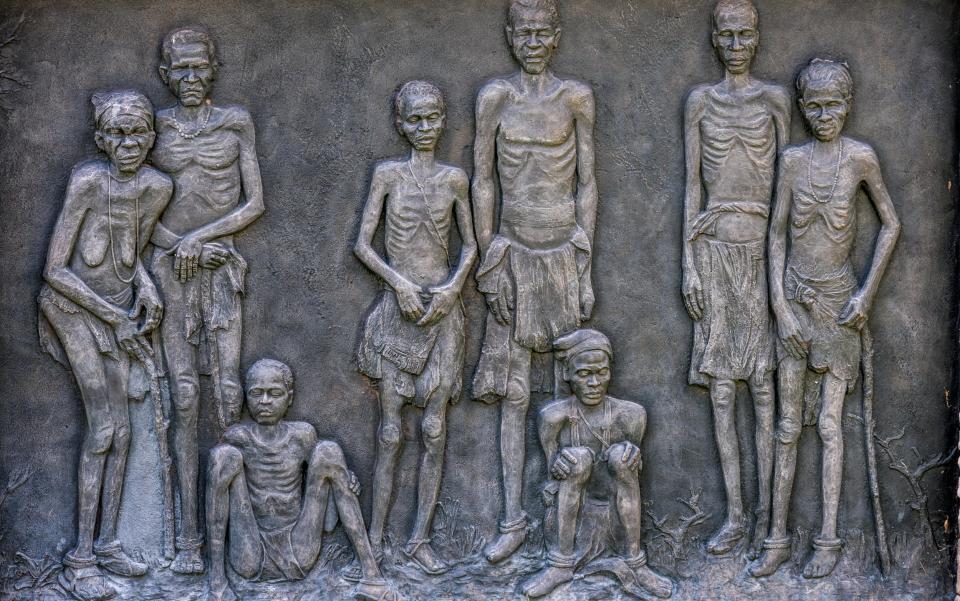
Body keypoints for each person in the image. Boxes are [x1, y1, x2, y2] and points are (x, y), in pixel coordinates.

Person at [749, 59, 900, 579]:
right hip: (794, 299)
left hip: (838, 304)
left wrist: (865, 296)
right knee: (788, 426)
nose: (823, 115)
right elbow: (774, 236)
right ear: (802, 108)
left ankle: (829, 541)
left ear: (848, 103)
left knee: (831, 426)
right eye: (812, 106)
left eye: (832, 104)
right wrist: (781, 308)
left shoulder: (861, 158)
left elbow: (890, 225)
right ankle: (776, 538)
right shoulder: (792, 161)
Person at [472, 0, 598, 563]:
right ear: (509, 36)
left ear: (557, 36)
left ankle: (565, 520)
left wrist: (585, 262)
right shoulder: (494, 99)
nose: (534, 41)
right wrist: (488, 258)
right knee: (515, 396)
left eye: (543, 32)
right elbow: (482, 180)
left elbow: (588, 183)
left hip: (562, 253)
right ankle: (512, 519)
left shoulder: (576, 98)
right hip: (514, 256)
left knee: (568, 392)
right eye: (524, 32)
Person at [40, 90, 172, 600]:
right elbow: (55, 268)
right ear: (100, 139)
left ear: (151, 138)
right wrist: (116, 315)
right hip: (72, 308)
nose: (128, 143)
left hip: (116, 314)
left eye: (138, 133)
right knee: (104, 428)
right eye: (117, 134)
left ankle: (109, 542)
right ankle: (80, 558)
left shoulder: (158, 187)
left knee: (124, 436)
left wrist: (145, 286)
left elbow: (127, 252)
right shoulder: (88, 181)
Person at [149, 25, 266, 574]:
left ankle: (235, 533)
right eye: (181, 70)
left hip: (222, 270)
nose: (191, 78)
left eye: (200, 67)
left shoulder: (235, 121)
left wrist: (207, 241)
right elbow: (139, 207)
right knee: (185, 396)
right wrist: (180, 245)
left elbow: (254, 202)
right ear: (166, 75)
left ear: (212, 68)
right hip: (172, 271)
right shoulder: (153, 128)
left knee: (227, 391)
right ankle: (188, 538)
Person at [680, 0, 791, 555]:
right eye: (728, 34)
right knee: (723, 391)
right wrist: (688, 265)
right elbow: (692, 188)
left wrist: (783, 273)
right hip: (714, 253)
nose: (737, 43)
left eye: (746, 33)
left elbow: (788, 191)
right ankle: (736, 516)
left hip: (762, 258)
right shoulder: (700, 101)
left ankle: (774, 518)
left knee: (765, 390)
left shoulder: (775, 100)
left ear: (757, 36)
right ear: (715, 40)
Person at [354, 80, 477, 574]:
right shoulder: (386, 175)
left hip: (443, 313)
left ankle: (419, 539)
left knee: (434, 428)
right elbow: (363, 244)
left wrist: (451, 288)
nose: (425, 128)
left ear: (443, 119)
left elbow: (469, 245)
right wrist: (398, 284)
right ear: (401, 124)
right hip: (397, 311)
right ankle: (377, 541)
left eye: (433, 118)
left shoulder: (454, 180)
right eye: (415, 119)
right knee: (389, 431)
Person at [205, 359, 403, 601]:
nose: (265, 401)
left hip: (298, 547)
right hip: (249, 551)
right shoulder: (238, 438)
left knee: (328, 451)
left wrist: (343, 476)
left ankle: (371, 577)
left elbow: (329, 518)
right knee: (222, 457)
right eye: (257, 393)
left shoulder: (302, 435)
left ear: (289, 398)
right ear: (246, 396)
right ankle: (217, 582)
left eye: (274, 393)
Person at [522, 330, 672, 599]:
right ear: (568, 375)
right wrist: (559, 467)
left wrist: (631, 454)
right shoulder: (553, 417)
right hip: (574, 519)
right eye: (583, 374)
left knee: (621, 458)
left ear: (610, 372)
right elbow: (550, 482)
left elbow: (632, 472)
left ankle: (635, 562)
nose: (593, 382)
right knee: (577, 460)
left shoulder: (632, 415)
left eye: (601, 373)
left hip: (616, 514)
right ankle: (560, 565)